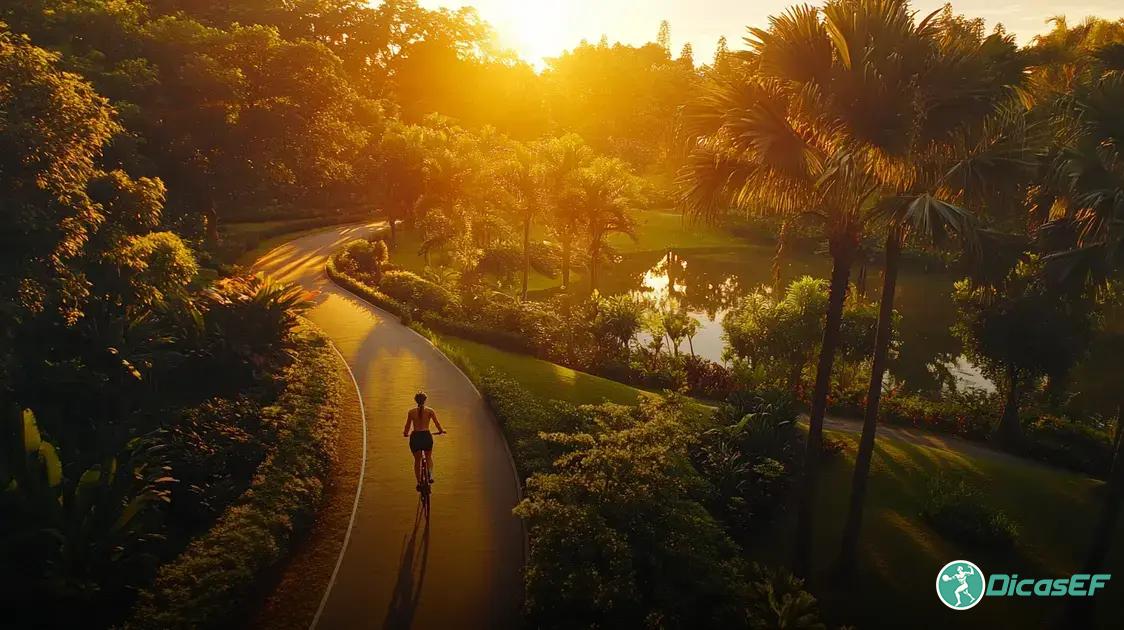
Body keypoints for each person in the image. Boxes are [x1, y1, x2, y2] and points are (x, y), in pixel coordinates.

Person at [403, 392, 445, 490]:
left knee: (417, 461)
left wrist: (405, 433)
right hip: (426, 437)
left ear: (416, 400)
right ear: (425, 400)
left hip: (416, 438)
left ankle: (419, 483)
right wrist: (441, 431)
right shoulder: (430, 411)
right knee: (428, 457)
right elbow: (437, 424)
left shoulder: (411, 412)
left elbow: (407, 426)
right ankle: (430, 475)